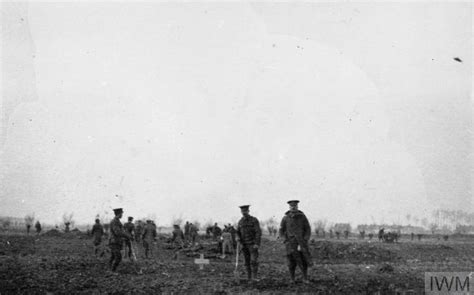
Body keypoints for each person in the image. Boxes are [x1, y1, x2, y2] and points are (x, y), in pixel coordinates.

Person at [279, 200, 312, 284]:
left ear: (297, 207)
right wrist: (285, 240)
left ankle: (305, 278)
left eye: (295, 206)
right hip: (290, 244)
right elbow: (281, 230)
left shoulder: (302, 217)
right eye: (291, 206)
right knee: (291, 262)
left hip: (301, 243)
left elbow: (308, 229)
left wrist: (305, 239)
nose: (293, 208)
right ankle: (292, 279)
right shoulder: (285, 218)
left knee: (303, 261)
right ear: (289, 207)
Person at [236, 205, 261, 281]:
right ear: (241, 212)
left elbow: (258, 232)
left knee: (253, 261)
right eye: (242, 211)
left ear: (248, 211)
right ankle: (248, 277)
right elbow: (237, 232)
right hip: (244, 245)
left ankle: (255, 277)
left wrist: (257, 243)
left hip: (252, 244)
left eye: (245, 211)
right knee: (246, 262)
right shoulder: (240, 221)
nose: (244, 213)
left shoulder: (254, 220)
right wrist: (237, 237)